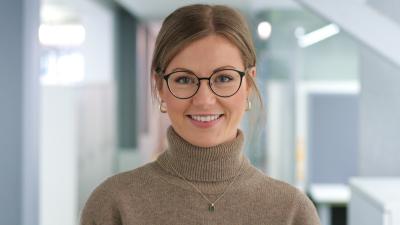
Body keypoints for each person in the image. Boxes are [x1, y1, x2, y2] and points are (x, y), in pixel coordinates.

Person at [80, 4, 321, 225]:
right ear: (160, 85)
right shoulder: (114, 205)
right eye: (184, 79)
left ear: (248, 83)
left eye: (224, 78)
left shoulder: (291, 212)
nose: (204, 100)